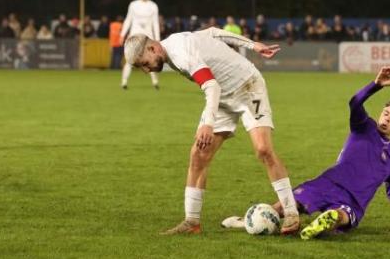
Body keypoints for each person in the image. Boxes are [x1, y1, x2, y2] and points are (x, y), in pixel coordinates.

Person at [221, 66, 390, 240]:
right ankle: (248, 223)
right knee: (290, 203)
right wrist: (375, 84)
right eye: (386, 113)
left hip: (354, 201)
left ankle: (323, 222)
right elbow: (355, 102)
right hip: (328, 183)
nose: (387, 119)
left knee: (341, 216)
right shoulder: (364, 126)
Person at [123, 28, 301, 235]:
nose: (147, 70)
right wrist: (253, 45)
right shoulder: (174, 43)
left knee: (263, 149)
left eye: (145, 64)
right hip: (223, 98)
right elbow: (213, 32)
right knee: (199, 155)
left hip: (248, 87)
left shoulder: (181, 53)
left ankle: (291, 213)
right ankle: (191, 222)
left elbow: (211, 86)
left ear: (153, 48)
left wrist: (207, 124)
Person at [120, 0, 160, 90]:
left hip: (148, 37)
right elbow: (128, 20)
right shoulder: (133, 5)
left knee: (152, 59)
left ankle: (155, 82)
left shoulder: (153, 6)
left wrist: (157, 38)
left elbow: (155, 23)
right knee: (130, 59)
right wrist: (122, 34)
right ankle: (124, 82)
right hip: (135, 36)